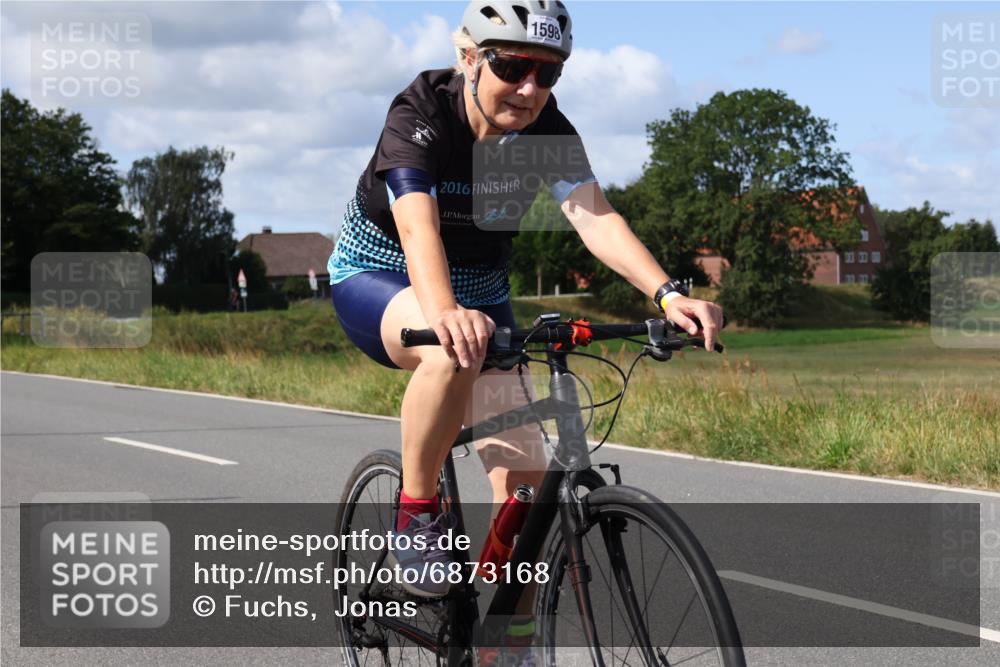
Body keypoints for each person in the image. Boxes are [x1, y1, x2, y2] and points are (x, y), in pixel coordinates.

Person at [328, 0, 723, 657]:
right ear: (469, 59)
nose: (530, 88)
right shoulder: (421, 113)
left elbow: (593, 216)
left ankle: (504, 636)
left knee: (529, 486)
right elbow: (417, 227)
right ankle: (416, 513)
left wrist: (668, 293)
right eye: (513, 67)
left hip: (482, 296)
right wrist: (444, 311)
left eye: (549, 73)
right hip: (384, 276)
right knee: (450, 354)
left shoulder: (546, 130)